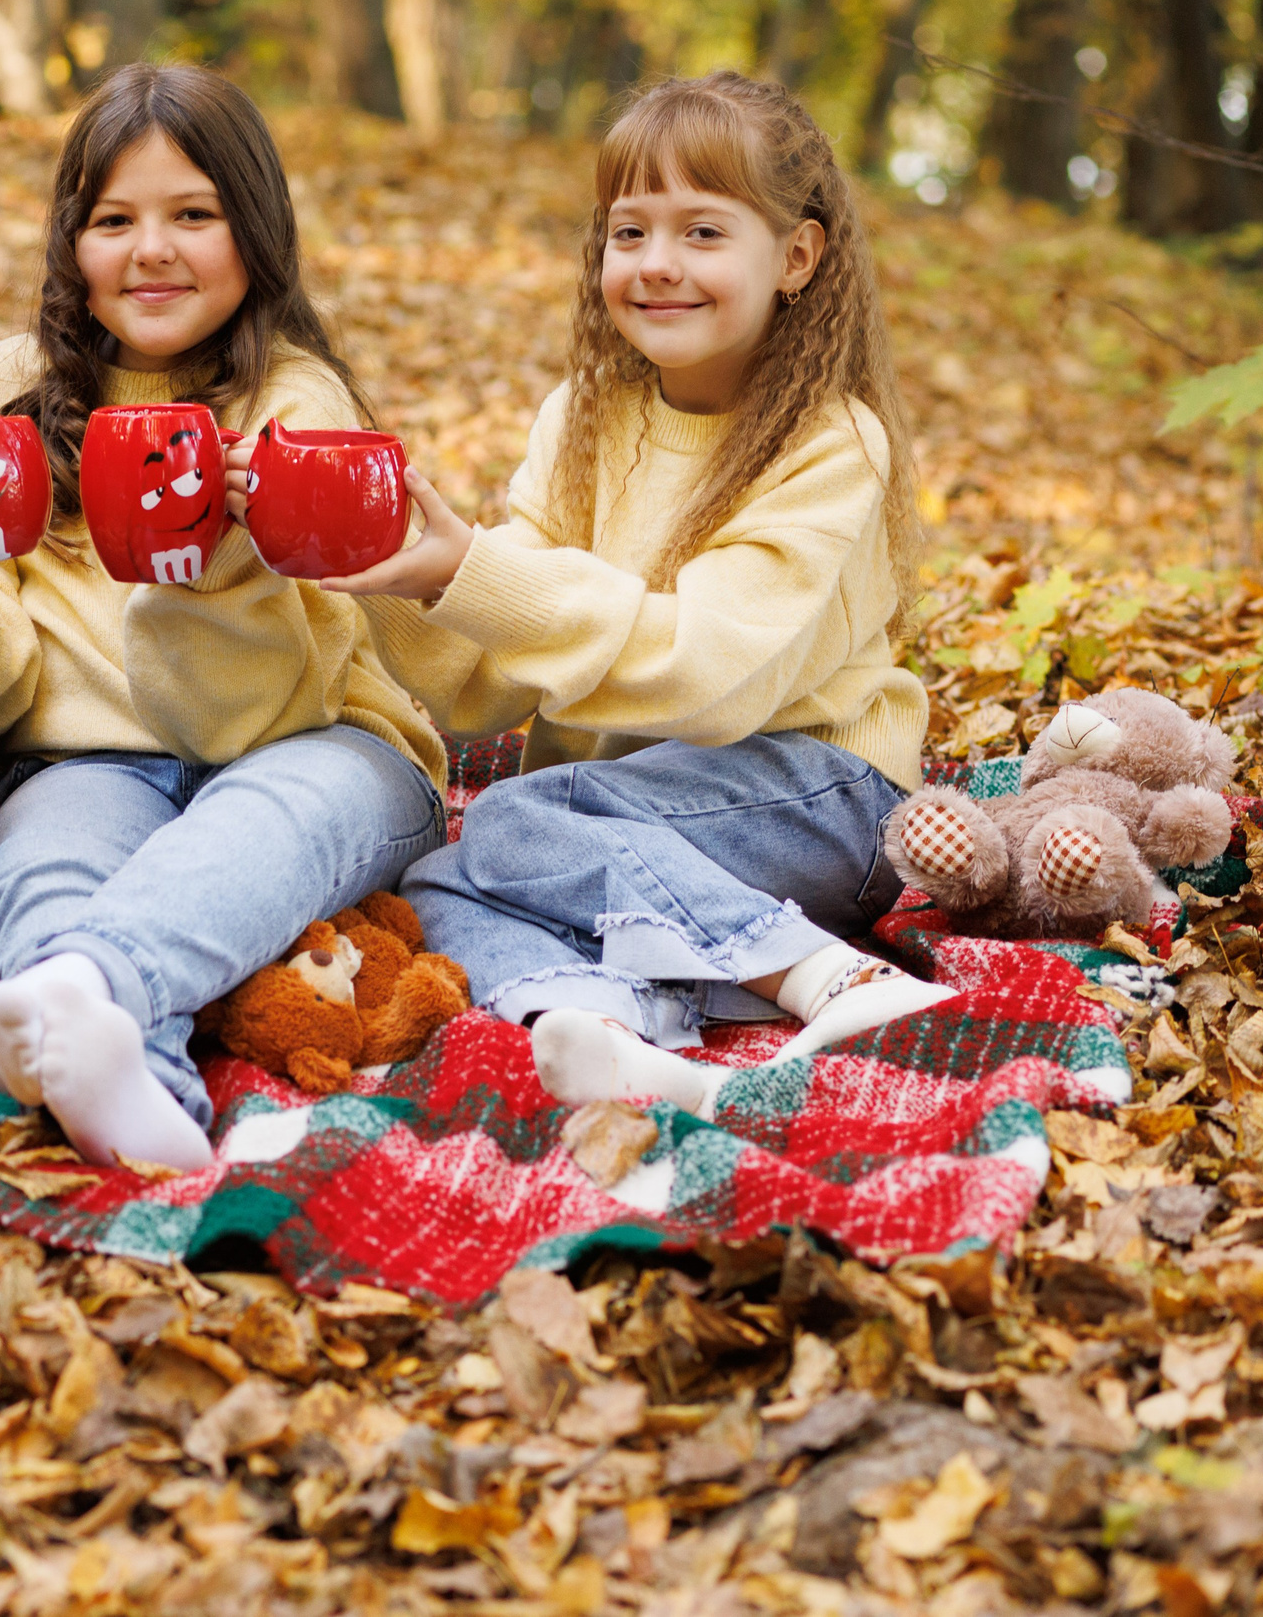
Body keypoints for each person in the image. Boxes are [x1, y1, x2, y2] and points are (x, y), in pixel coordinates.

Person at [336, 72, 954, 1119]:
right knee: (437, 883)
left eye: (703, 232)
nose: (658, 264)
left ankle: (832, 977)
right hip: (616, 812)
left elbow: (708, 678)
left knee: (515, 821)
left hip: (818, 793)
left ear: (796, 257)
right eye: (630, 232)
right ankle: (612, 1029)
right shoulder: (581, 417)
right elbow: (488, 685)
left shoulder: (829, 441)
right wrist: (390, 574)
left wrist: (474, 571)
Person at [0, 64, 449, 1171]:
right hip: (88, 760)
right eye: (113, 221)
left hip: (315, 748)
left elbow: (251, 721)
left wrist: (219, 559)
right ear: (69, 242)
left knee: (258, 830)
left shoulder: (294, 405)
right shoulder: (2, 392)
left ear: (255, 232)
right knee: (41, 861)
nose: (152, 251)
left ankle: (86, 986)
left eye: (193, 215)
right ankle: (129, 1079)